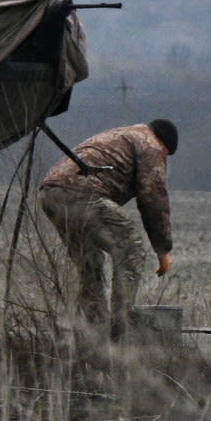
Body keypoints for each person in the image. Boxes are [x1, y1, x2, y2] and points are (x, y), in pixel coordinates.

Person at [38, 118, 177, 338]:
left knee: (90, 260)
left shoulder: (124, 134)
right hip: (81, 194)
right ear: (165, 146)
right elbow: (153, 197)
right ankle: (120, 331)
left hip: (51, 194)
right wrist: (162, 248)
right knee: (130, 249)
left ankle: (90, 328)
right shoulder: (151, 145)